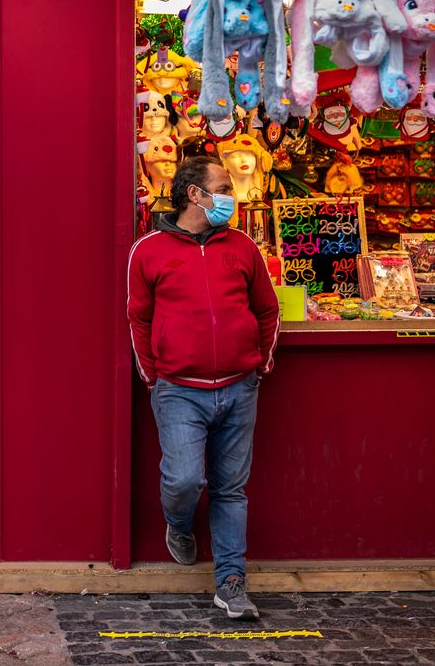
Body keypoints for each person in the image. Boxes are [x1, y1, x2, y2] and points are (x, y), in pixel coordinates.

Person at [126, 154, 280, 620]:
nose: (230, 195)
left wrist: (259, 364)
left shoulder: (242, 246)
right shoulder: (149, 250)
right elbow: (138, 318)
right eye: (223, 186)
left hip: (239, 386)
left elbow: (266, 308)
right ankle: (178, 523)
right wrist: (155, 377)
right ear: (195, 194)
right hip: (178, 390)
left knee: (231, 489)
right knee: (185, 479)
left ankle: (231, 583)